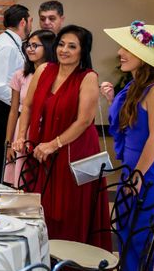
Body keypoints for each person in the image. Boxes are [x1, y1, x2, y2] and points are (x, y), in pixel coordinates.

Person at [12, 25, 111, 249]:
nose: (64, 50)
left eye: (72, 46)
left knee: (68, 211)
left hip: (73, 153)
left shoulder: (87, 78)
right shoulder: (44, 70)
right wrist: (21, 136)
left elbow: (84, 121)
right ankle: (38, 262)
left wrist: (54, 144)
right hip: (41, 150)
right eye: (61, 44)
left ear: (82, 51)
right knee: (39, 206)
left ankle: (66, 269)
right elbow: (26, 106)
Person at [101, 20, 154, 271]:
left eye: (127, 48)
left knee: (147, 244)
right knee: (128, 240)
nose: (119, 52)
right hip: (133, 172)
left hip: (149, 175)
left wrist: (137, 177)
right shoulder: (137, 86)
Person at [0, 4, 31, 182]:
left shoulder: (9, 43)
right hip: (0, 110)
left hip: (3, 109)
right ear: (23, 22)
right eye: (30, 20)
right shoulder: (7, 47)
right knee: (0, 163)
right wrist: (21, 102)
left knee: (3, 164)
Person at [3, 29, 55, 186]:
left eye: (35, 45)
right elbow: (13, 111)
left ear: (48, 47)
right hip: (23, 128)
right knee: (22, 179)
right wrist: (9, 143)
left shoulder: (56, 76)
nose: (30, 49)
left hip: (47, 128)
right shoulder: (20, 75)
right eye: (28, 45)